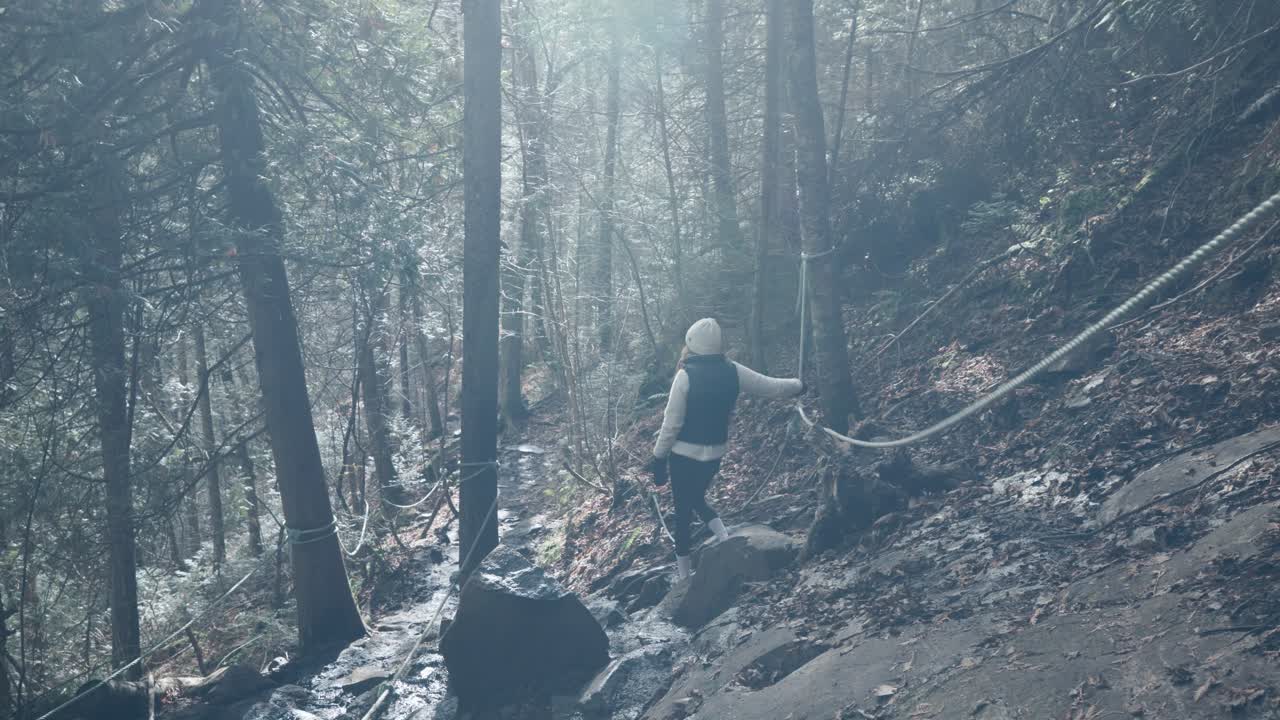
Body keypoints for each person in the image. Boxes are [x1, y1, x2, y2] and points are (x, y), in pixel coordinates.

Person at [646, 318, 805, 581]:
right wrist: (798, 386)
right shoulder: (733, 370)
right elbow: (770, 386)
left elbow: (672, 424)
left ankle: (684, 579)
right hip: (715, 454)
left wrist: (658, 458)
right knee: (696, 498)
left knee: (683, 513)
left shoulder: (685, 376)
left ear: (691, 344)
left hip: (683, 456)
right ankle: (724, 537)